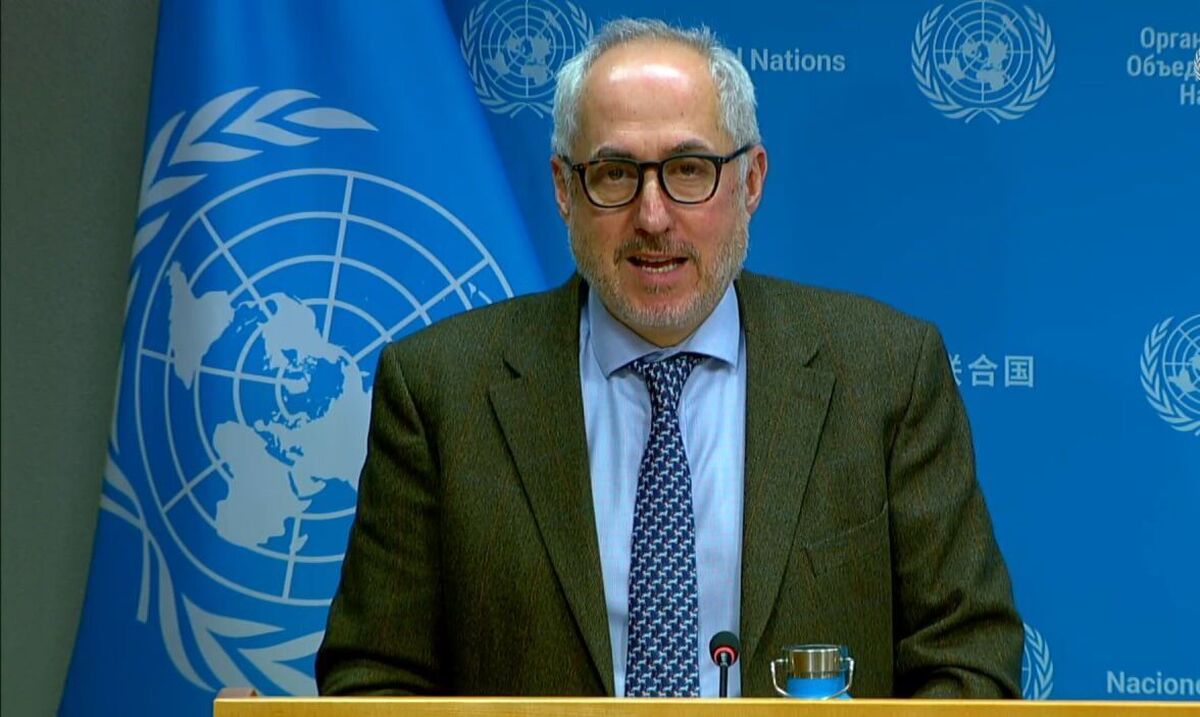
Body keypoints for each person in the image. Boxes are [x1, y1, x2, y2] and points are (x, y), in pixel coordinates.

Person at [316, 18, 1023, 698]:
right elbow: (374, 677)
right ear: (564, 188)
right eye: (615, 173)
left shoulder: (886, 372)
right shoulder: (440, 388)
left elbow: (969, 661)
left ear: (750, 181)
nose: (653, 217)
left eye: (689, 170)